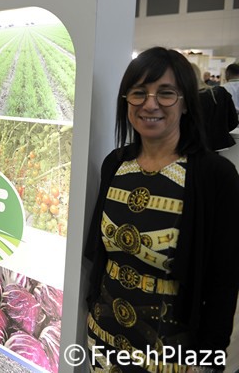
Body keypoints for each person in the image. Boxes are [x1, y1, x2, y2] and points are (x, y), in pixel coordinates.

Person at [84, 47, 239, 371]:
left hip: (170, 352)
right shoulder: (116, 163)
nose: (150, 104)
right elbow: (100, 255)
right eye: (139, 92)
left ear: (186, 102)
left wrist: (209, 358)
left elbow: (224, 280)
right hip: (103, 338)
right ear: (126, 100)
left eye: (166, 93)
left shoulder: (214, 175)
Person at [192, 62, 238, 151]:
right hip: (217, 145)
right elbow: (233, 121)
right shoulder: (220, 92)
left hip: (192, 148)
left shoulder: (186, 98)